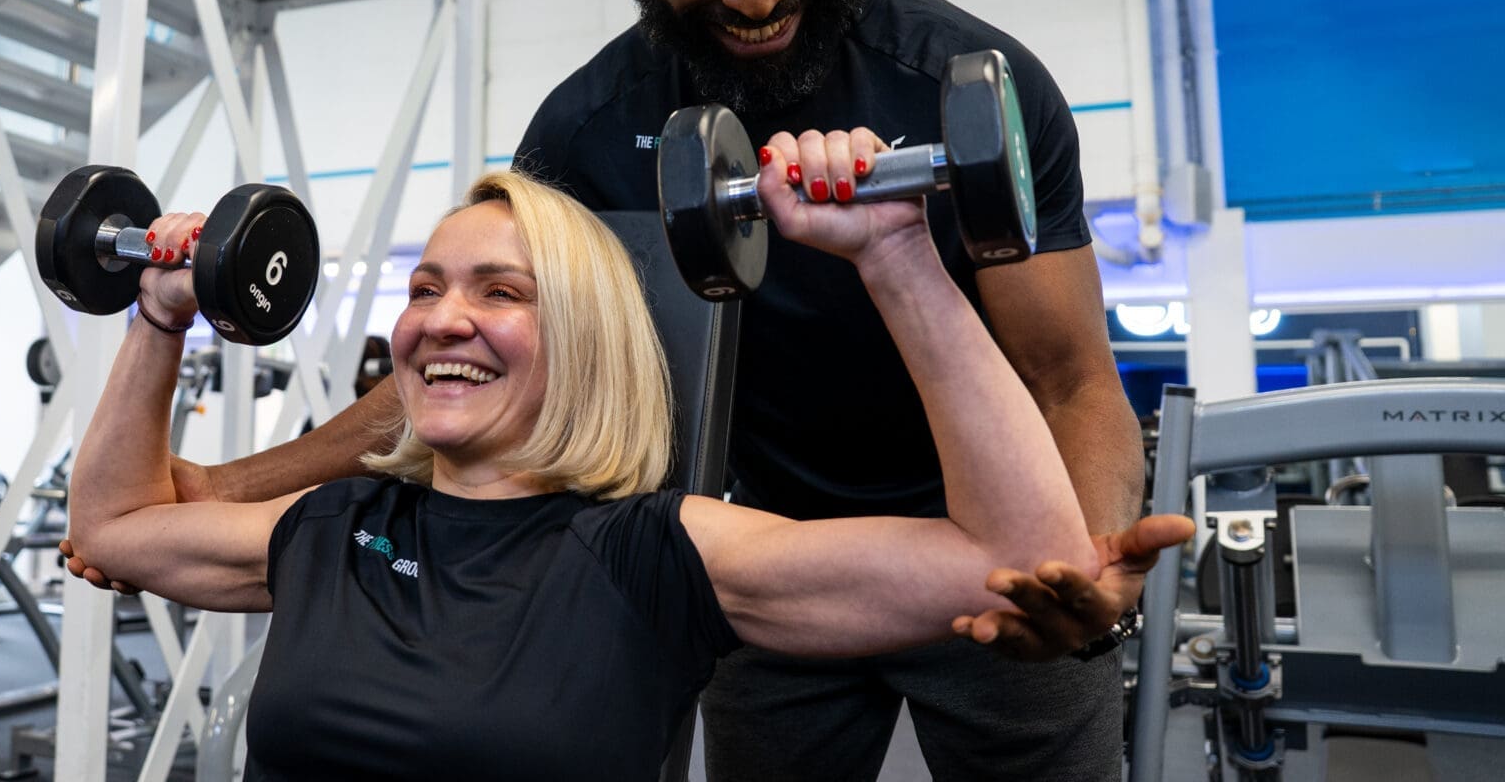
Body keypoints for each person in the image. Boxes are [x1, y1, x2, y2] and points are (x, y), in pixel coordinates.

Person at [67, 0, 1168, 779]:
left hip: (997, 542)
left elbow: (1070, 377)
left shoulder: (970, 85)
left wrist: (1079, 563)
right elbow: (471, 363)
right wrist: (213, 487)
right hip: (766, 545)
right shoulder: (591, 129)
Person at [68, 167, 1188, 780]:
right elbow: (112, 525)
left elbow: (1012, 560)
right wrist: (159, 320)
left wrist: (896, 257)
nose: (442, 319)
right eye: (423, 289)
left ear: (585, 339)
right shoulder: (328, 524)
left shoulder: (654, 550)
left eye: (502, 292)